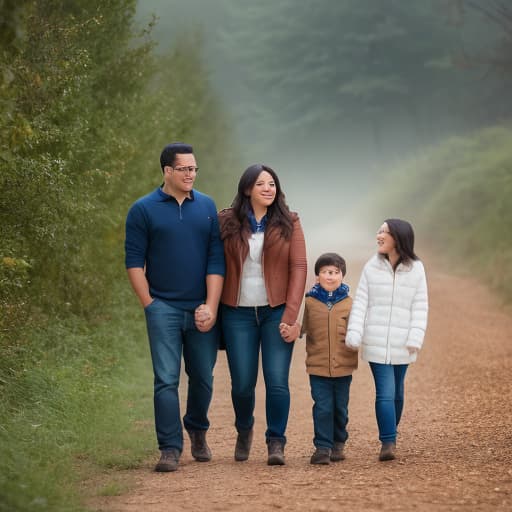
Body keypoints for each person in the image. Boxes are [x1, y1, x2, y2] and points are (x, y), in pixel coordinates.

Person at [124, 142, 225, 472]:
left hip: (200, 308)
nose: (191, 174)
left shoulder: (207, 208)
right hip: (163, 308)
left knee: (202, 378)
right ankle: (169, 448)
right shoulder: (143, 209)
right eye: (184, 169)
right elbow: (134, 263)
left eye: (194, 168)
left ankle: (197, 429)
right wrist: (150, 305)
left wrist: (210, 305)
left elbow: (215, 260)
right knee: (166, 380)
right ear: (167, 171)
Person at [218, 163, 307, 465]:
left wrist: (291, 314)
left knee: (277, 380)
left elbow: (298, 268)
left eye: (272, 183)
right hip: (237, 314)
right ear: (247, 189)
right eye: (261, 184)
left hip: (276, 311)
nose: (268, 188)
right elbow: (214, 265)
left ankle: (276, 442)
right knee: (242, 384)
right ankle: (244, 429)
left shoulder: (289, 222)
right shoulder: (226, 222)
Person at [345, 218, 428, 461]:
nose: (379, 236)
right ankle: (388, 442)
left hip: (404, 342)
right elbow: (360, 302)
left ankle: (392, 431)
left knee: (398, 393)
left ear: (399, 238)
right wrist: (355, 333)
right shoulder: (372, 267)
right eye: (378, 231)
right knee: (385, 392)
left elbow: (420, 306)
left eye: (385, 232)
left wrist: (415, 337)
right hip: (376, 340)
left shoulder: (416, 268)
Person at [300, 253, 358, 465]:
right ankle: (322, 447)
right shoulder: (309, 302)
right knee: (322, 406)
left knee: (340, 407)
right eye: (325, 272)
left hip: (344, 366)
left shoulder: (351, 304)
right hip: (318, 366)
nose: (330, 276)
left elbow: (358, 331)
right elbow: (299, 327)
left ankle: (338, 442)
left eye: (334, 272)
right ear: (317, 277)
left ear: (342, 276)